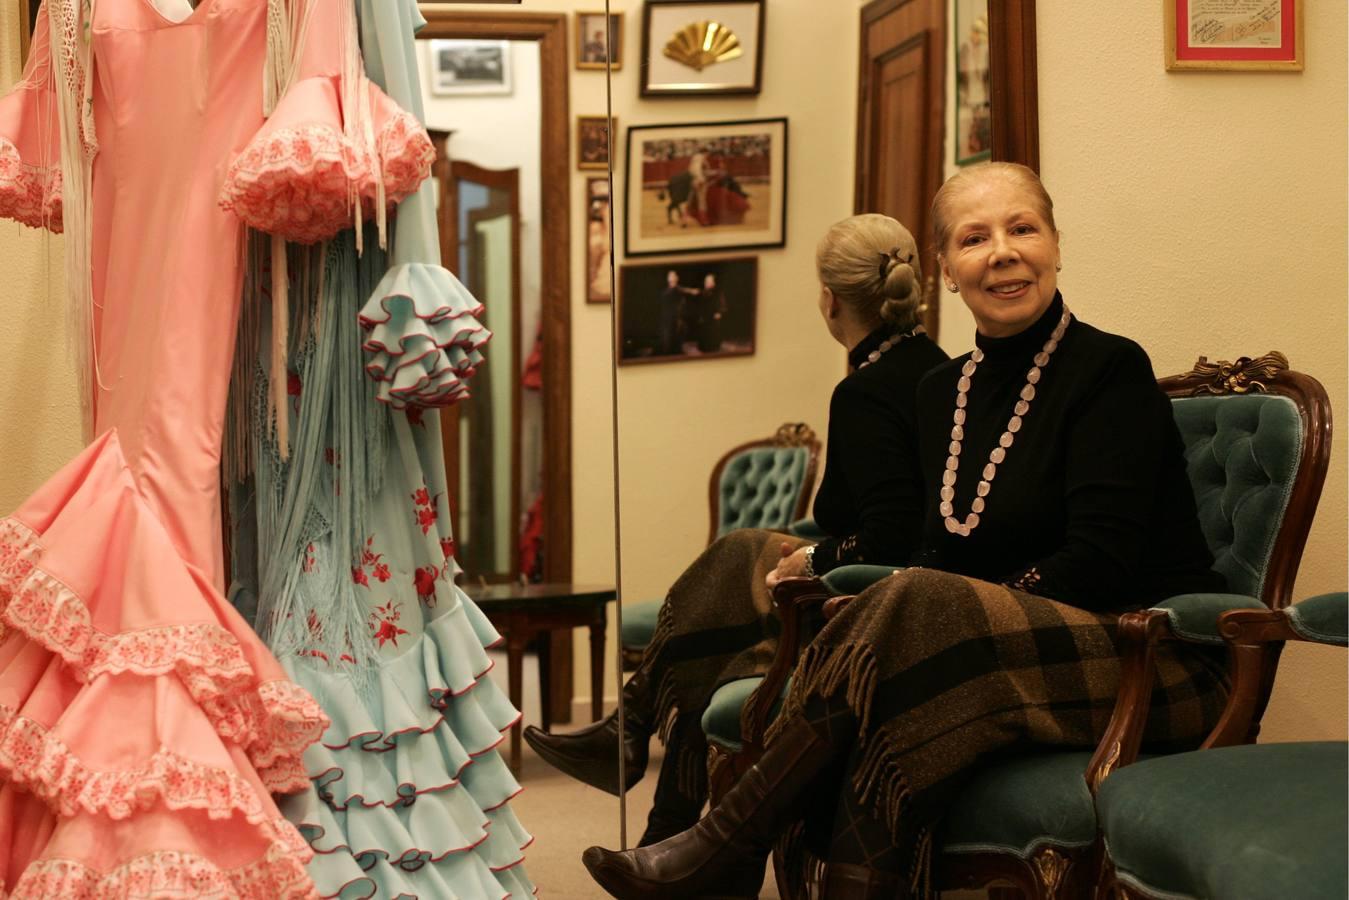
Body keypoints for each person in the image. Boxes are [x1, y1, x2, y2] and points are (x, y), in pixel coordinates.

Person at [580, 162, 1229, 899]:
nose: (1002, 252)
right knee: (889, 685)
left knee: (914, 612)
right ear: (944, 272)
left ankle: (721, 845)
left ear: (1054, 245)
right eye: (972, 238)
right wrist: (931, 618)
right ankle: (724, 853)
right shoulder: (938, 390)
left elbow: (1102, 559)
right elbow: (933, 548)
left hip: (1141, 652)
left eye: (1022, 228)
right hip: (988, 657)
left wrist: (950, 617)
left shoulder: (1109, 368)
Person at [525, 214, 949, 847]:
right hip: (888, 582)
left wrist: (811, 555)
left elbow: (888, 535)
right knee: (733, 581)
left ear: (829, 300)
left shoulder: (865, 391)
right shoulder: (936, 366)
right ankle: (656, 805)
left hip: (875, 598)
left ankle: (640, 749)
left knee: (732, 574)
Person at [659, 270, 697, 355]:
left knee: (678, 341)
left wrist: (691, 291)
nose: (672, 278)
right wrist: (691, 291)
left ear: (677, 278)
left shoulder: (679, 290)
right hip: (668, 320)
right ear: (668, 279)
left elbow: (681, 291)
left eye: (674, 276)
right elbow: (677, 290)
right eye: (670, 276)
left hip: (678, 320)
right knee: (668, 343)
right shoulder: (666, 292)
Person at [693, 272, 728, 353]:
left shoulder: (718, 293)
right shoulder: (703, 292)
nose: (707, 283)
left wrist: (720, 313)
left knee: (713, 342)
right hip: (704, 319)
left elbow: (723, 305)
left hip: (713, 320)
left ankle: (713, 347)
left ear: (713, 283)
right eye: (706, 281)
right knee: (703, 341)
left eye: (709, 281)